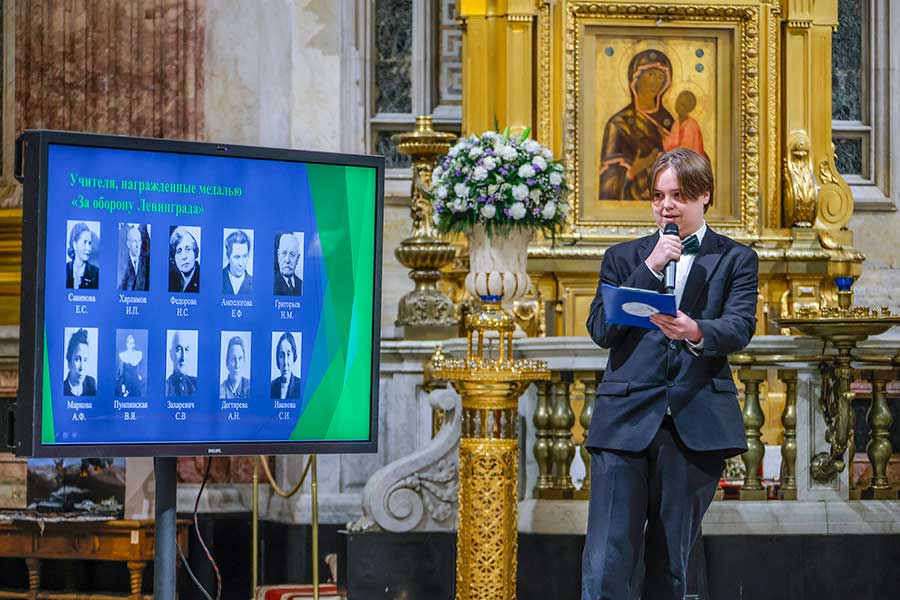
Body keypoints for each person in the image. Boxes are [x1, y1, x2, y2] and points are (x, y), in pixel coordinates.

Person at [582, 148, 758, 599]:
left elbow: (740, 326)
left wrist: (695, 330)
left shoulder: (735, 258)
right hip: (624, 424)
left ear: (704, 196)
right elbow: (601, 330)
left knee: (671, 564)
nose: (667, 206)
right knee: (606, 561)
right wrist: (651, 267)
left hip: (694, 423)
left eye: (678, 195)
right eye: (659, 196)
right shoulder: (623, 258)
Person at [598, 49, 675, 201]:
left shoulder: (670, 123)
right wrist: (634, 170)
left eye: (661, 77)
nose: (656, 81)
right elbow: (608, 181)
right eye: (651, 75)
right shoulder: (619, 123)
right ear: (635, 79)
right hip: (631, 199)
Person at [663, 90, 707, 159]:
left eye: (682, 105)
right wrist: (663, 136)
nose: (678, 106)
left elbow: (684, 151)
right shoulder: (677, 122)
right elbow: (672, 144)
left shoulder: (691, 126)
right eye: (677, 102)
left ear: (689, 108)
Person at [66, 222, 99, 289]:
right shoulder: (65, 269)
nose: (89, 248)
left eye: (89, 243)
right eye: (84, 242)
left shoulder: (96, 273)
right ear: (75, 245)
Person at [64, 329, 97, 396]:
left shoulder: (91, 384)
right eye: (77, 359)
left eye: (85, 360)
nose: (82, 368)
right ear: (69, 362)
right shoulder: (63, 389)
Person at [168, 227, 200, 293]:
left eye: (188, 249)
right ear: (173, 258)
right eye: (179, 251)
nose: (184, 257)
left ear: (195, 252)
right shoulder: (172, 282)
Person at [165, 331, 197, 396]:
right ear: (171, 354)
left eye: (186, 349)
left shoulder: (195, 384)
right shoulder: (166, 388)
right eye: (179, 349)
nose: (183, 358)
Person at [270, 332, 301, 399]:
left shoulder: (300, 386)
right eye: (281, 356)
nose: (285, 362)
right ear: (278, 359)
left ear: (293, 357)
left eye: (288, 354)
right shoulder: (271, 386)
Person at [119, 225, 150, 291]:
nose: (137, 245)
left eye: (139, 241)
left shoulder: (147, 263)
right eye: (134, 241)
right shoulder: (121, 263)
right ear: (128, 244)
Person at [222, 230, 254, 294]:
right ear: (228, 256)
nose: (241, 264)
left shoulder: (253, 282)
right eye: (237, 257)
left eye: (245, 256)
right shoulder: (219, 278)